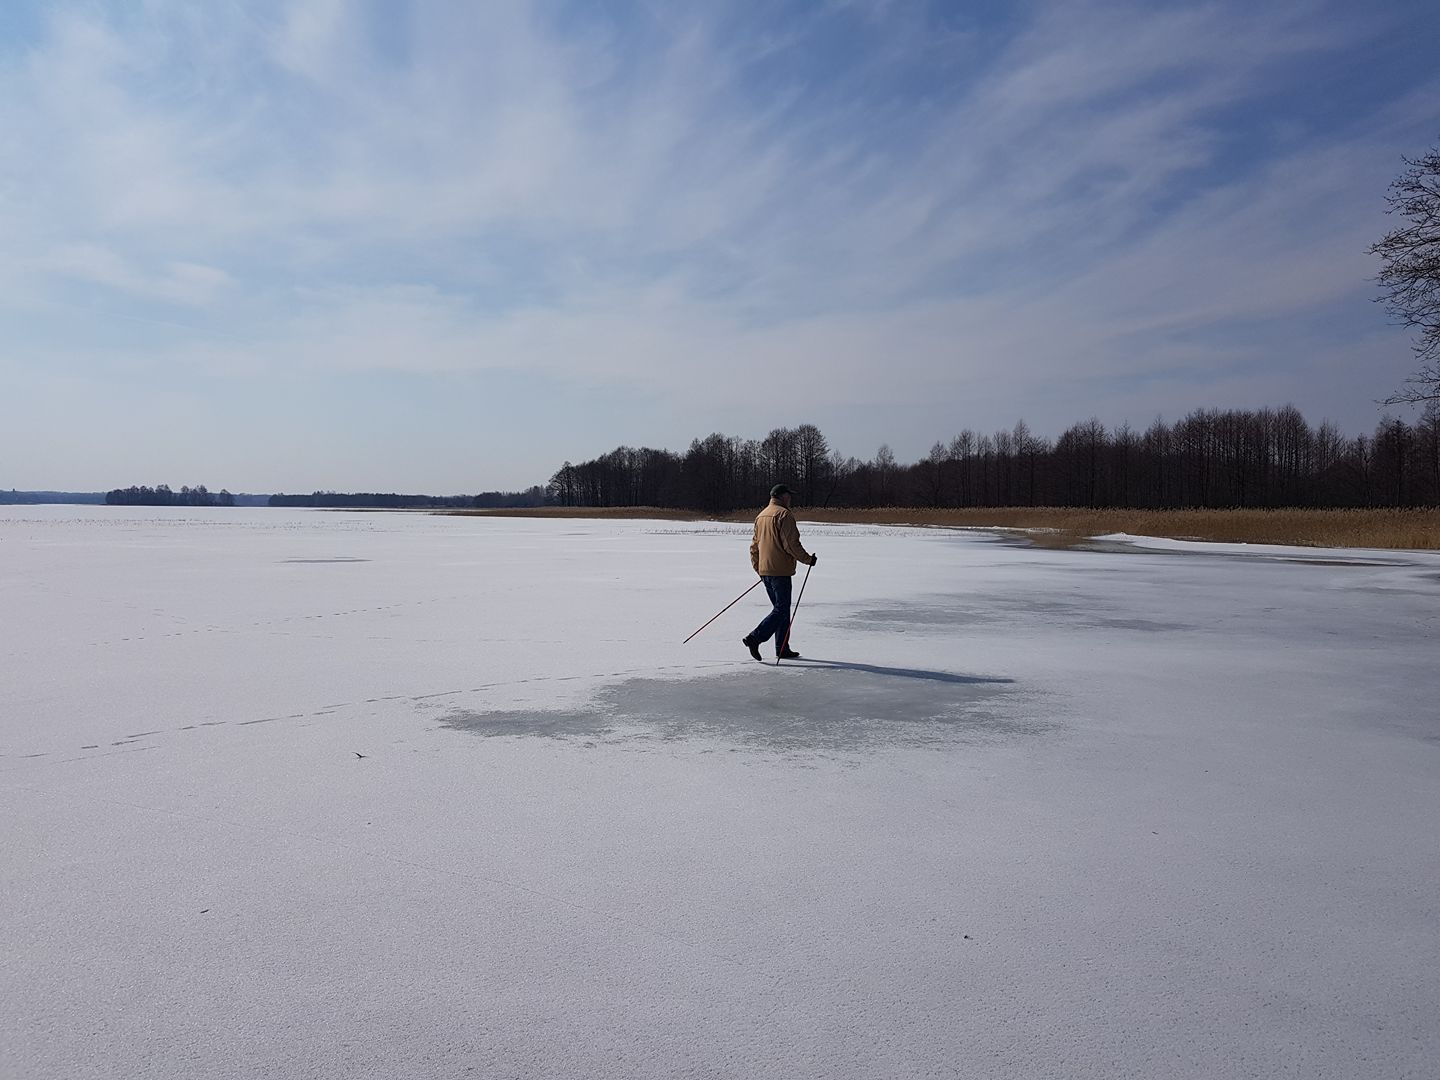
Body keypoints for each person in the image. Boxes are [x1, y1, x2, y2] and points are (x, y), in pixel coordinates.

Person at [744, 484, 818, 661]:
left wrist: (759, 568)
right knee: (782, 609)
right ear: (782, 496)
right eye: (788, 495)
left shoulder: (761, 516)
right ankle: (755, 637)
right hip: (780, 572)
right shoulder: (784, 515)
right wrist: (808, 559)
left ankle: (782, 648)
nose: (790, 498)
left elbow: (754, 547)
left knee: (780, 610)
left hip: (766, 571)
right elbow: (791, 544)